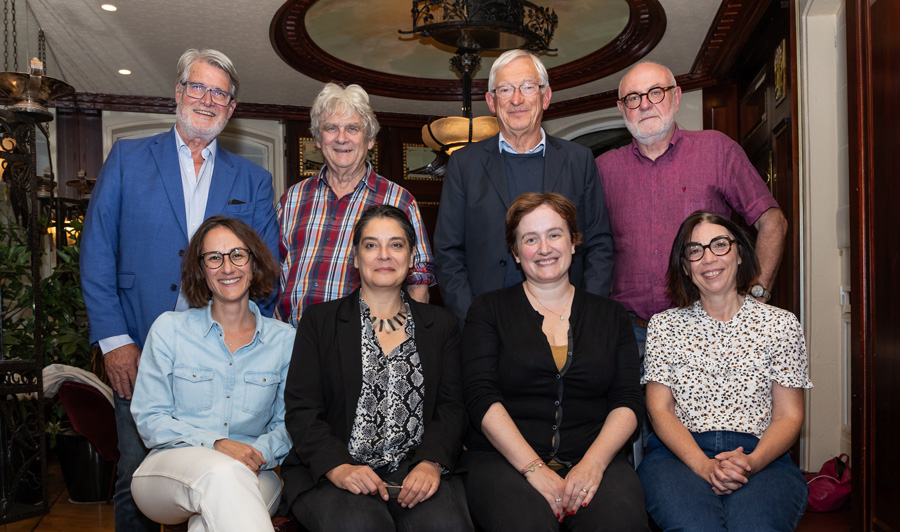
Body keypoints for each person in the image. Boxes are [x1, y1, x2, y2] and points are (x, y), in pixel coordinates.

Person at [80, 48, 277, 532]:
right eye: (199, 88)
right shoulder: (127, 158)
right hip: (141, 352)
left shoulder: (252, 179)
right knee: (133, 480)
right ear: (178, 93)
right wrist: (116, 342)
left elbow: (265, 268)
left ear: (232, 107)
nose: (208, 100)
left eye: (220, 93)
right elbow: (96, 254)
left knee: (219, 472)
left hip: (223, 357)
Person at [461, 192, 650, 532]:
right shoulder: (487, 311)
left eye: (554, 235)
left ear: (574, 241)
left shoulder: (610, 316)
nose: (543, 248)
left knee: (622, 529)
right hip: (504, 461)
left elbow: (628, 401)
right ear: (514, 252)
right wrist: (533, 468)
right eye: (530, 239)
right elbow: (480, 397)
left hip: (594, 452)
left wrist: (592, 465)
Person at [281, 205, 473, 532]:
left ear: (411, 256)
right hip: (337, 469)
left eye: (396, 245)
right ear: (355, 257)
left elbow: (453, 407)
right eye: (372, 245)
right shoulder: (319, 322)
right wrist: (338, 467)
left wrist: (432, 462)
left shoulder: (441, 326)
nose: (384, 255)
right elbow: (302, 409)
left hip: (415, 465)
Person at [637, 211, 811, 532]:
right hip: (679, 456)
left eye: (719, 245)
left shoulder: (780, 325)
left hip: (762, 455)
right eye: (694, 251)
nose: (709, 258)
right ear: (684, 266)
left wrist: (750, 461)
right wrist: (703, 465)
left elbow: (789, 415)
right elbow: (660, 410)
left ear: (739, 254)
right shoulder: (665, 326)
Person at [130, 216, 297, 532]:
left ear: (254, 264)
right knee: (221, 474)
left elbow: (289, 422)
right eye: (214, 258)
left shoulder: (285, 340)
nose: (227, 267)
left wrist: (257, 452)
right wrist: (217, 444)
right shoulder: (170, 330)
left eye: (237, 255)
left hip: (258, 470)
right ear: (200, 270)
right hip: (168, 471)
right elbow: (151, 418)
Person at [595, 61, 788, 349]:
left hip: (705, 328)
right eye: (633, 98)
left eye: (656, 92)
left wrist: (755, 297)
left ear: (676, 97)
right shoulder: (602, 169)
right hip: (628, 335)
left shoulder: (716, 150)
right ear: (622, 109)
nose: (645, 105)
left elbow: (773, 221)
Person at [434, 49, 614, 326]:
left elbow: (599, 243)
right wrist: (472, 319)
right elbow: (448, 253)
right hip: (489, 324)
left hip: (566, 321)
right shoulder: (463, 164)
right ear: (492, 102)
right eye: (505, 89)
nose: (516, 99)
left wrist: (585, 313)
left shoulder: (579, 160)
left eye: (528, 87)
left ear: (546, 96)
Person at [276, 83, 435, 326]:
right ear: (318, 139)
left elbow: (419, 282)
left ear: (370, 139)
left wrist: (412, 341)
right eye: (331, 128)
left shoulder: (400, 200)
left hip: (368, 348)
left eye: (352, 128)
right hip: (292, 344)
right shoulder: (292, 199)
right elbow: (269, 274)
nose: (341, 138)